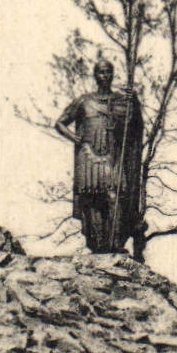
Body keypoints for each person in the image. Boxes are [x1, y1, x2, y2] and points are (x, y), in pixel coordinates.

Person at [55, 57, 146, 254]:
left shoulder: (122, 102)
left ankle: (114, 244)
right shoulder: (84, 101)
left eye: (107, 72)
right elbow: (60, 123)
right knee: (92, 201)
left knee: (114, 197)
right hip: (88, 156)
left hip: (112, 155)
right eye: (100, 72)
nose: (104, 76)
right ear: (95, 76)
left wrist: (135, 102)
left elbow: (136, 127)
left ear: (112, 75)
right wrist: (75, 137)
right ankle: (97, 246)